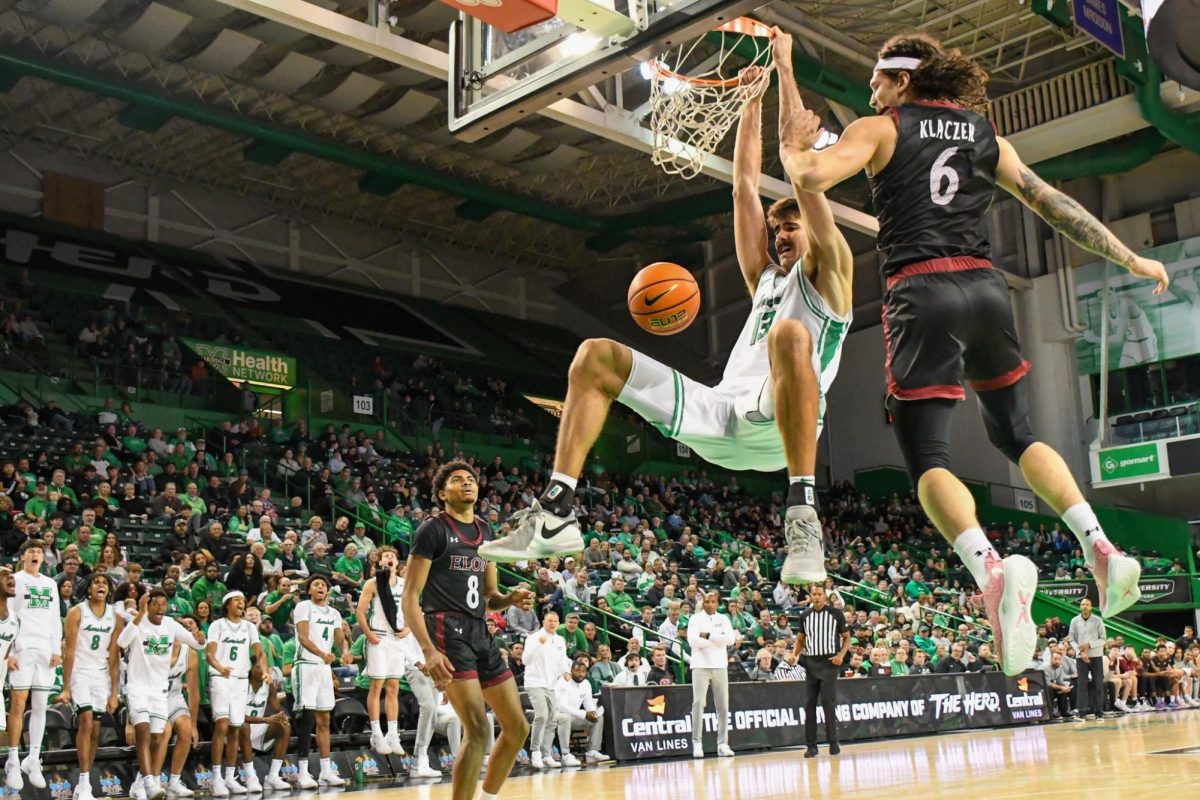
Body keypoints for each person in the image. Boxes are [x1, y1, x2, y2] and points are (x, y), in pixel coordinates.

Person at [777, 29, 1165, 673]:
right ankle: (1101, 547)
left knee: (926, 456)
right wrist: (1128, 256)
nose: (870, 89)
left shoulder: (881, 129)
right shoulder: (986, 135)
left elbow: (810, 173)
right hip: (986, 290)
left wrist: (793, 142)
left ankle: (991, 573)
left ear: (903, 82)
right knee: (1018, 432)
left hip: (921, 291)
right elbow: (1054, 204)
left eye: (878, 78)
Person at [478, 67, 854, 579]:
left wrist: (788, 69)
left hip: (781, 429)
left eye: (792, 226)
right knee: (595, 354)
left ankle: (803, 515)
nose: (782, 234)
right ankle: (556, 512)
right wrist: (751, 97)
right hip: (722, 415)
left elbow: (807, 183)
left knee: (789, 335)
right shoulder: (765, 280)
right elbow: (744, 189)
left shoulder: (832, 277)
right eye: (777, 228)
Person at [401, 461, 534, 800]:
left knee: (518, 728)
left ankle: (487, 797)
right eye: (457, 480)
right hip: (445, 628)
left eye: (471, 479)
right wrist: (429, 650)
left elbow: (490, 598)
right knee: (477, 728)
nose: (466, 484)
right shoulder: (431, 530)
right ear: (441, 493)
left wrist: (511, 599)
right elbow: (410, 598)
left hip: (479, 630)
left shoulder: (486, 531)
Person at [117, 590, 207, 800]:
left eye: (163, 604)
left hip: (160, 691)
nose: (160, 607)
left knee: (158, 736)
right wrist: (139, 614)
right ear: (146, 605)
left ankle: (143, 782)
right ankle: (149, 781)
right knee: (143, 729)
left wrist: (200, 638)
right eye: (154, 603)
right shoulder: (138, 623)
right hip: (138, 688)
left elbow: (198, 644)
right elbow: (122, 642)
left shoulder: (170, 625)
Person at [5, 540, 62, 791]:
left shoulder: (50, 584)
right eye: (31, 551)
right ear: (23, 555)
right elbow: (4, 614)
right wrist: (7, 652)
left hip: (45, 650)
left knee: (41, 705)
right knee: (18, 704)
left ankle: (33, 759)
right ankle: (13, 759)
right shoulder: (14, 580)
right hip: (21, 648)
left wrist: (57, 649)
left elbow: (54, 617)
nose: (36, 554)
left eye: (39, 551)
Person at [60, 572, 123, 800]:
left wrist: (115, 692)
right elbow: (69, 651)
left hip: (101, 675)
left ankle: (84, 781)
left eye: (104, 583)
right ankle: (84, 783)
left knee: (96, 728)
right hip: (79, 672)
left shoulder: (116, 616)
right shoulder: (77, 612)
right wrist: (66, 687)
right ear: (88, 589)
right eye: (96, 582)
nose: (101, 586)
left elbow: (115, 657)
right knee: (85, 720)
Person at [290, 575, 352, 789]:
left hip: (324, 668)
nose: (320, 587)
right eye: (316, 584)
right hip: (305, 664)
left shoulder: (334, 612)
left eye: (323, 585)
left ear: (327, 591)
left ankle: (326, 771)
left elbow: (340, 638)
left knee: (325, 719)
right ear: (309, 590)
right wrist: (323, 653)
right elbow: (304, 638)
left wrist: (344, 651)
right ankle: (303, 772)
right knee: (307, 719)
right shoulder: (303, 607)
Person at [206, 591, 267, 796]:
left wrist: (264, 669)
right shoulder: (217, 625)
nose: (241, 602)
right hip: (221, 678)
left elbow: (259, 652)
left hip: (241, 680)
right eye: (236, 600)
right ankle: (216, 779)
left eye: (243, 599)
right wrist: (219, 666)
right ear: (227, 605)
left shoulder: (249, 627)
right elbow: (210, 653)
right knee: (222, 725)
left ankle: (230, 778)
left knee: (235, 728)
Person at [355, 547, 408, 758]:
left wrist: (409, 629)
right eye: (386, 556)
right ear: (379, 563)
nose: (390, 558)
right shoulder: (373, 583)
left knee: (394, 687)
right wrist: (368, 634)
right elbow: (359, 611)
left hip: (397, 638)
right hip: (378, 636)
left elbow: (414, 609)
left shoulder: (405, 584)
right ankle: (376, 732)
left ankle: (393, 733)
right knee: (377, 686)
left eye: (393, 556)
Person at [793, 584, 848, 758]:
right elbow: (801, 639)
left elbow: (847, 637)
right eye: (813, 594)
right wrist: (794, 654)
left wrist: (841, 654)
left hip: (829, 661)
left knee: (827, 701)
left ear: (825, 596)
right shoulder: (805, 615)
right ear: (810, 596)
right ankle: (811, 745)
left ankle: (833, 741)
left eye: (819, 594)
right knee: (809, 704)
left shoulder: (836, 614)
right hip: (811, 662)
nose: (816, 597)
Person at [687, 591, 736, 759]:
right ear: (703, 602)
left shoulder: (723, 619)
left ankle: (723, 744)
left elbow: (730, 639)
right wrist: (717, 641)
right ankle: (697, 743)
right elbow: (693, 642)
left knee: (723, 706)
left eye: (713, 602)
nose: (710, 604)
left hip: (720, 666)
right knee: (699, 703)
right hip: (700, 665)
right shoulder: (695, 619)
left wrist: (708, 636)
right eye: (707, 601)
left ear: (717, 603)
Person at [523, 611, 571, 770]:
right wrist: (539, 644)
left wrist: (566, 671)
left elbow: (563, 659)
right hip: (535, 682)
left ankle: (547, 754)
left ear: (559, 623)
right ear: (544, 622)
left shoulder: (559, 640)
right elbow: (525, 660)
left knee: (552, 720)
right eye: (550, 620)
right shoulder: (534, 638)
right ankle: (535, 752)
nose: (552, 623)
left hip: (551, 684)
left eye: (556, 621)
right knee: (542, 715)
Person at [239, 663, 292, 792]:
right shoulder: (241, 685)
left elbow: (276, 707)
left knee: (285, 726)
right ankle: (251, 777)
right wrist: (266, 719)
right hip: (238, 730)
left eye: (265, 667)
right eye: (258, 667)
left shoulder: (268, 685)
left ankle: (273, 777)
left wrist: (282, 716)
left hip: (258, 728)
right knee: (243, 726)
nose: (262, 670)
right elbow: (238, 716)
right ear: (250, 669)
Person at [162, 631, 203, 796]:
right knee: (163, 732)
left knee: (185, 731)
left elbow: (194, 693)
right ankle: (146, 779)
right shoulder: (153, 649)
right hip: (153, 696)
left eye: (179, 634)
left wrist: (193, 725)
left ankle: (174, 781)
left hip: (174, 697)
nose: (175, 637)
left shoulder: (190, 654)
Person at [552, 659, 609, 766]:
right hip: (557, 716)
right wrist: (584, 714)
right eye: (578, 671)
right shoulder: (563, 682)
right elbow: (562, 706)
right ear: (572, 670)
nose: (581, 674)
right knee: (565, 717)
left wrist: (592, 711)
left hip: (575, 717)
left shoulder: (586, 683)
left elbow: (588, 702)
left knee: (599, 718)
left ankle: (592, 751)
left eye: (583, 671)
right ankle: (565, 754)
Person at [1069, 599, 1107, 719]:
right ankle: (1081, 711)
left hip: (1096, 655)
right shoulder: (1074, 620)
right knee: (1081, 684)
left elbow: (1103, 639)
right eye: (1083, 604)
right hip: (1081, 657)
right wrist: (1080, 651)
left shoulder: (1098, 620)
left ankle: (1099, 711)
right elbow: (1071, 639)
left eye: (1087, 605)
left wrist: (1089, 645)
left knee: (1098, 683)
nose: (1085, 606)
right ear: (1080, 607)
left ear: (1091, 607)